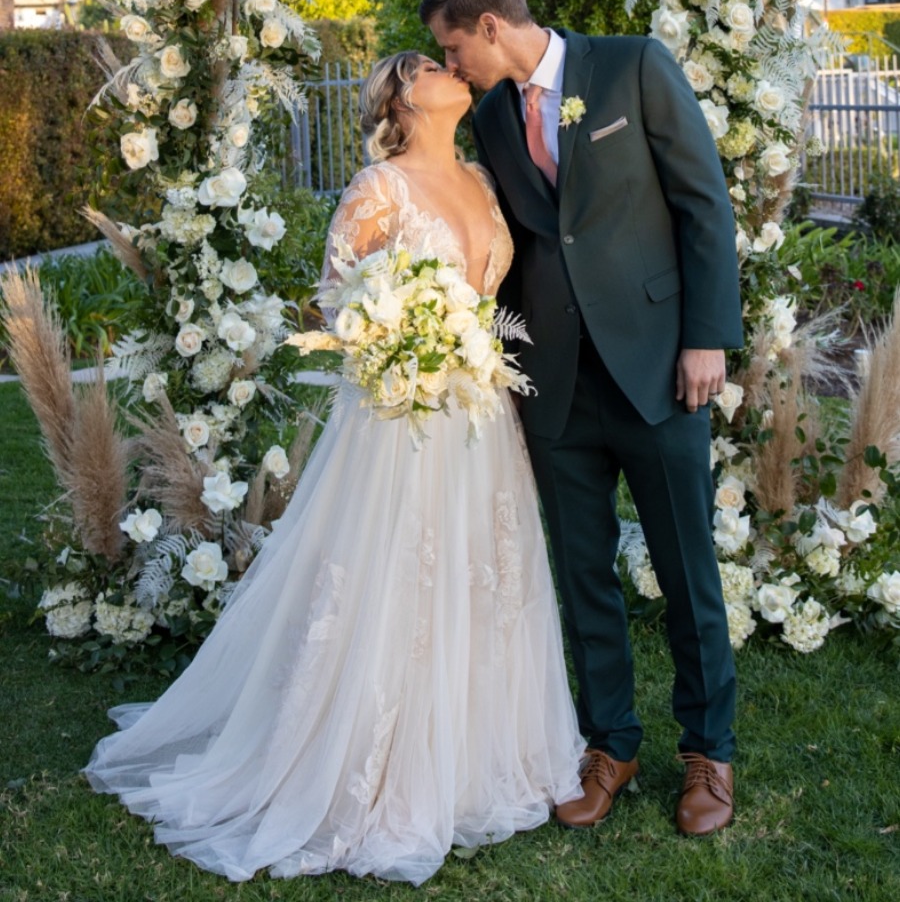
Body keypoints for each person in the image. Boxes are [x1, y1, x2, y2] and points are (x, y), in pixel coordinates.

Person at [84, 51, 584, 885]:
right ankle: (367, 763)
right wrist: (406, 341)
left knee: (484, 576)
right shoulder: (375, 189)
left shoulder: (484, 179)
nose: (449, 68)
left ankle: (479, 751)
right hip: (401, 422)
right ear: (402, 98)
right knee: (396, 582)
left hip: (484, 416)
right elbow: (335, 299)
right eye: (429, 65)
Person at [420, 0, 744, 837]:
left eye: (453, 48)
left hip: (660, 370)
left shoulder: (633, 65)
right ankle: (610, 744)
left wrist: (705, 336)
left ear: (489, 26)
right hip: (554, 385)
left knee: (687, 572)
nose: (451, 70)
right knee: (582, 575)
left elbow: (702, 205)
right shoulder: (489, 117)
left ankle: (708, 753)